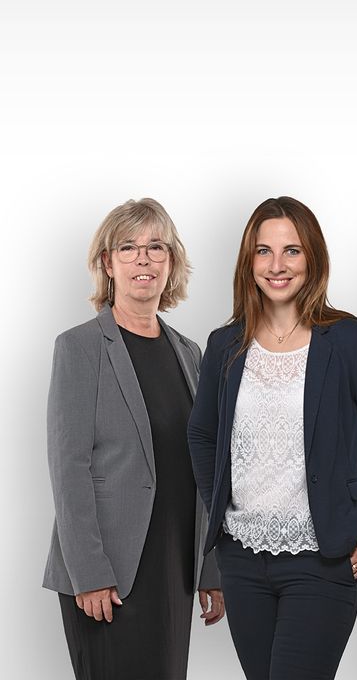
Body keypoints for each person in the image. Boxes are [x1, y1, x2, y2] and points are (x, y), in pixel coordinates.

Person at [187, 196, 357, 680]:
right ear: (248, 261)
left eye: (291, 250)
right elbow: (202, 434)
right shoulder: (225, 344)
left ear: (312, 257)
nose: (277, 265)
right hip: (242, 560)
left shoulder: (348, 339)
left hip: (324, 559)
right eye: (264, 251)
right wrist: (220, 513)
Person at [43, 198, 223, 680]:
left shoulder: (190, 353)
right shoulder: (80, 347)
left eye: (156, 247)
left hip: (173, 566)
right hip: (108, 575)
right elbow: (69, 469)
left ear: (171, 262)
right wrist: (89, 573)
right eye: (128, 247)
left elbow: (203, 468)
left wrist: (209, 568)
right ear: (108, 263)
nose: (143, 258)